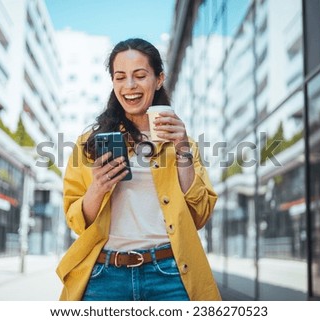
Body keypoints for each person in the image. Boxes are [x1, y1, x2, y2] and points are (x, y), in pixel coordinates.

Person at [57, 38, 221, 301]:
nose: (129, 86)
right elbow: (77, 221)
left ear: (158, 80)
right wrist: (97, 188)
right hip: (104, 276)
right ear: (113, 83)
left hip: (169, 275)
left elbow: (199, 215)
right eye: (120, 77)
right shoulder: (89, 143)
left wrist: (182, 150)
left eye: (140, 75)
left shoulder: (183, 144)